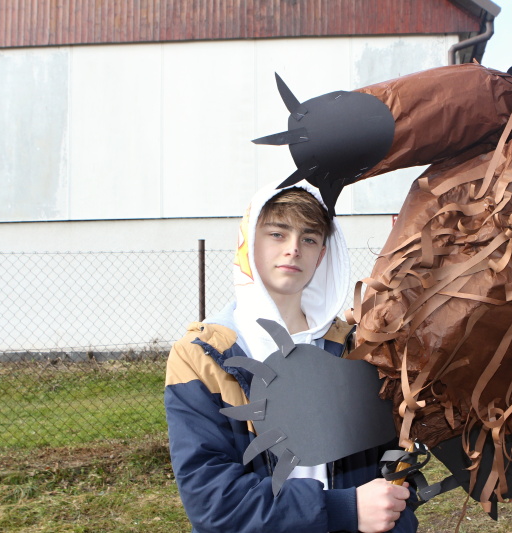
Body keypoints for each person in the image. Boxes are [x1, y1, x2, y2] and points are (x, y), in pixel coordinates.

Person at [165, 183, 418, 533]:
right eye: (277, 234)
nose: (294, 249)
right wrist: (343, 509)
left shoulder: (356, 349)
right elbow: (213, 501)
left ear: (323, 255)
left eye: (309, 238)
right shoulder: (201, 357)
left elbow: (395, 466)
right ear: (248, 244)